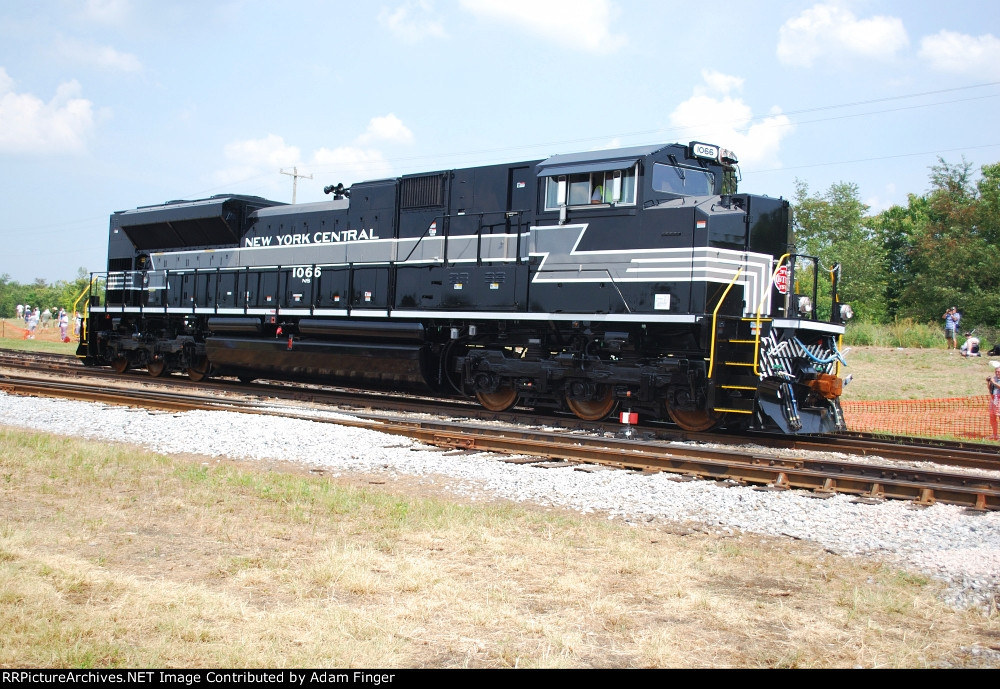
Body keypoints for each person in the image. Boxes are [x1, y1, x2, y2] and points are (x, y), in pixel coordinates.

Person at [988, 362, 1000, 440]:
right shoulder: (994, 378)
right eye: (996, 372)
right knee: (992, 417)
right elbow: (990, 389)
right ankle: (994, 434)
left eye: (999, 372)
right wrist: (988, 382)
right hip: (993, 399)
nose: (997, 373)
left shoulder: (994, 380)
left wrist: (994, 382)